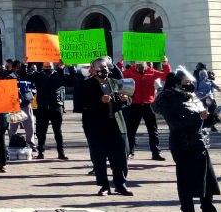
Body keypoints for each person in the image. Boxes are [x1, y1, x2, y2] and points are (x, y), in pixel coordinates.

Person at [154, 70, 221, 212]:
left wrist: (215, 118)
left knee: (207, 180)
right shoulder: (168, 98)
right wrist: (197, 117)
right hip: (182, 144)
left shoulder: (191, 97)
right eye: (186, 82)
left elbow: (201, 122)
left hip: (199, 142)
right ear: (176, 83)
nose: (190, 84)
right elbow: (175, 123)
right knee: (186, 181)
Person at [76, 57, 132, 196]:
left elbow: (128, 100)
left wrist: (125, 99)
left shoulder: (115, 83)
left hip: (116, 125)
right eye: (100, 67)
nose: (103, 69)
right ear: (93, 70)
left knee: (120, 156)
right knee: (99, 157)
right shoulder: (85, 85)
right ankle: (104, 186)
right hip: (95, 126)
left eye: (105, 66)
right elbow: (79, 105)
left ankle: (120, 184)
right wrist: (98, 100)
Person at [121, 57, 170, 161]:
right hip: (134, 105)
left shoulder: (151, 72)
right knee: (131, 130)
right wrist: (121, 62)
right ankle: (130, 151)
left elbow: (166, 76)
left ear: (146, 63)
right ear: (134, 63)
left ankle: (155, 152)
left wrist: (165, 63)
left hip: (149, 105)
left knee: (153, 130)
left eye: (142, 61)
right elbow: (119, 76)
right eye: (138, 61)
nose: (140, 63)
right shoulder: (130, 72)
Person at [28, 62, 71, 160]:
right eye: (46, 67)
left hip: (56, 107)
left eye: (49, 67)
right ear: (42, 67)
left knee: (58, 132)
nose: (48, 68)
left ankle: (61, 153)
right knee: (41, 132)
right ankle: (40, 152)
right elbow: (26, 77)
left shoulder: (57, 74)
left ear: (53, 67)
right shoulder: (38, 76)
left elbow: (68, 80)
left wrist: (64, 67)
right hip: (42, 108)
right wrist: (25, 65)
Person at [9, 67, 36, 146]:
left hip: (26, 104)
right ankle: (12, 143)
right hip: (14, 105)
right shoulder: (10, 77)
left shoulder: (29, 76)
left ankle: (30, 143)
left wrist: (31, 93)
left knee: (29, 125)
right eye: (17, 67)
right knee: (13, 126)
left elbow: (34, 88)